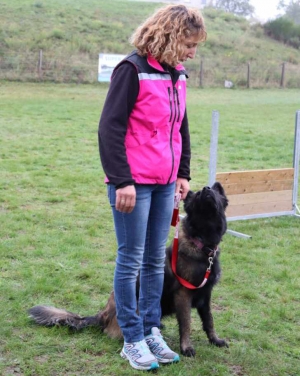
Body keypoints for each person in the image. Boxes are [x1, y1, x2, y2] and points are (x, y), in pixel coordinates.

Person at [98, 4, 206, 371]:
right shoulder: (132, 70)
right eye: (190, 44)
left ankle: (150, 330)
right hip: (132, 184)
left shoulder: (178, 74)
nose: (193, 52)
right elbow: (109, 129)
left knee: (153, 260)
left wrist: (183, 172)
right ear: (172, 35)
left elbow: (181, 128)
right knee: (130, 260)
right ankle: (131, 337)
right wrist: (121, 180)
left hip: (165, 183)